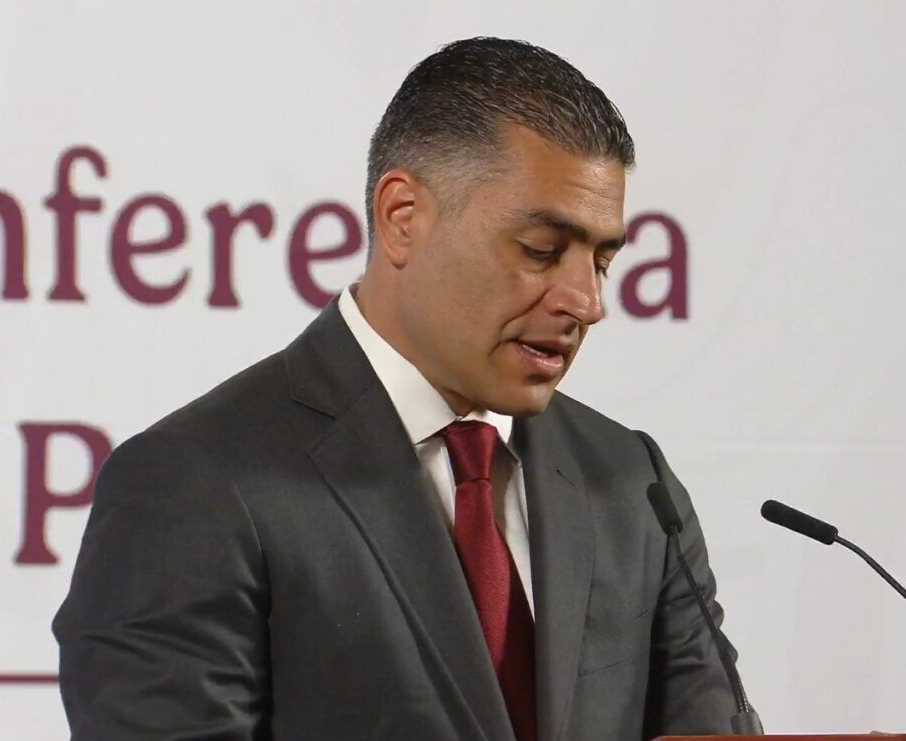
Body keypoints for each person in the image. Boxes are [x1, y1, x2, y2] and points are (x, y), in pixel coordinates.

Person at [54, 37, 744, 740]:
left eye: (602, 261)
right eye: (542, 251)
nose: (587, 302)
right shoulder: (194, 484)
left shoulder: (632, 484)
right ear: (402, 217)